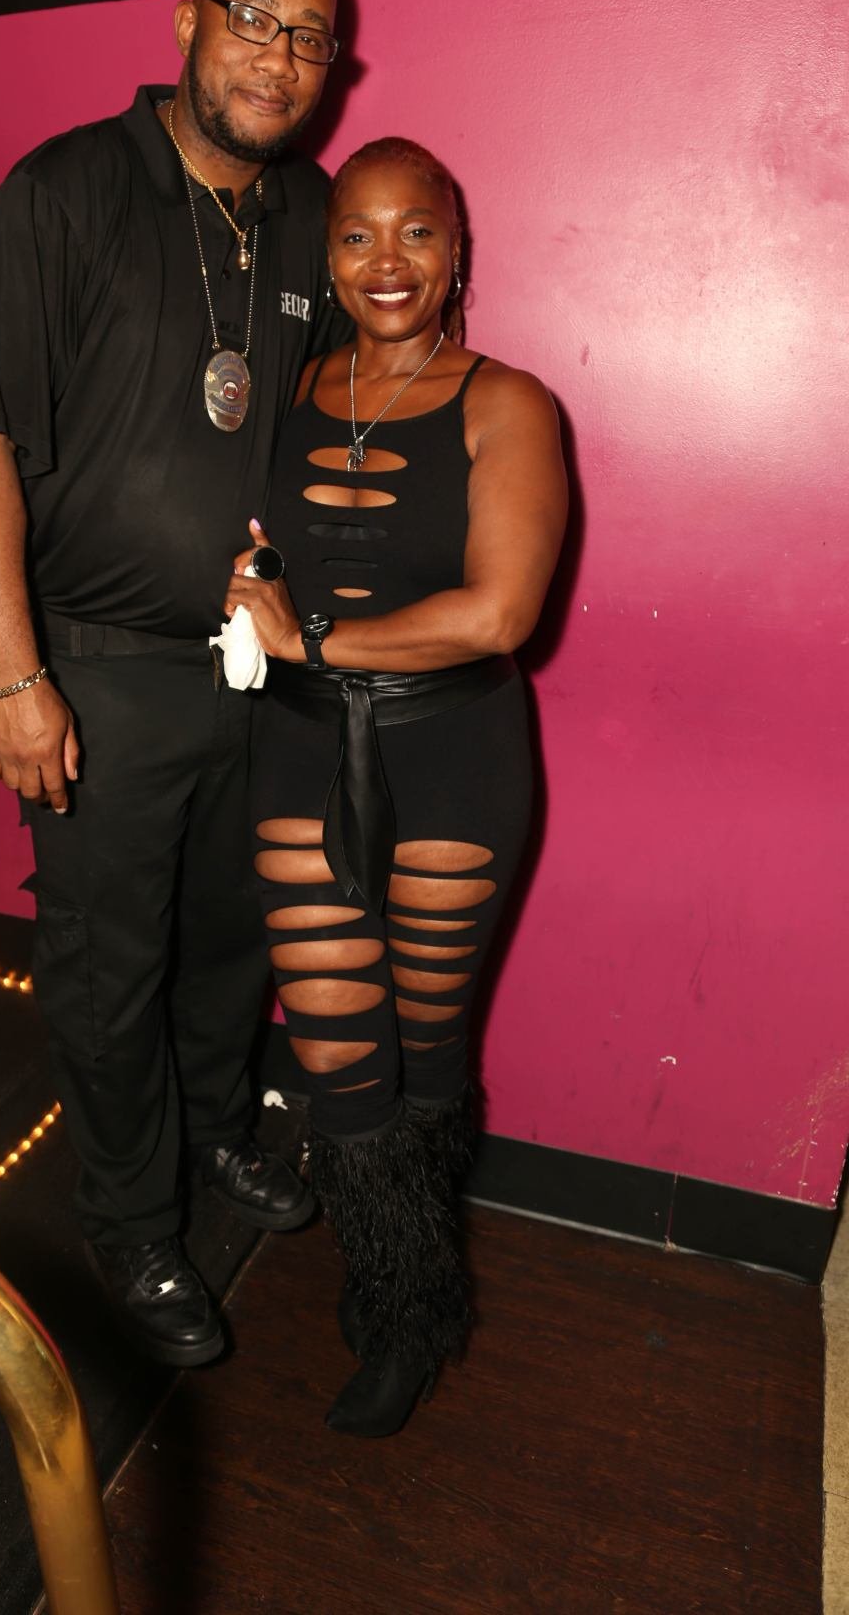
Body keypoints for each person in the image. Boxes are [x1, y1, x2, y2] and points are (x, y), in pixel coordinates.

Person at [0, 0, 349, 1368]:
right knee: (110, 968)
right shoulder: (64, 192)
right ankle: (129, 1222)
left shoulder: (309, 214)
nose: (279, 58)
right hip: (98, 667)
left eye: (311, 36)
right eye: (255, 19)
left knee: (234, 937)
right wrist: (14, 677)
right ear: (187, 21)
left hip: (253, 661)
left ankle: (221, 1130)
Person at [224, 136, 568, 1435]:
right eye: (359, 235)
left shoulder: (508, 403)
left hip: (452, 759)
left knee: (427, 1045)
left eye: (416, 232)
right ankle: (406, 1285)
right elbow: (253, 542)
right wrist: (249, 587)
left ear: (455, 251)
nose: (387, 261)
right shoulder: (289, 389)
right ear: (329, 257)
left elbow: (498, 615)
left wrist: (309, 637)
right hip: (300, 751)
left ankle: (412, 1298)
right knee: (335, 1053)